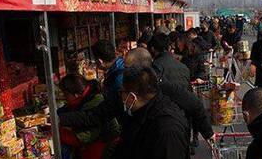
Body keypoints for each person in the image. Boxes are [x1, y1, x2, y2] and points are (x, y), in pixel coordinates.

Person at [58, 48, 214, 148]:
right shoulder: (123, 93)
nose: (123, 71)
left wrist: (209, 134)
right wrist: (60, 119)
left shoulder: (163, 87)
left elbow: (195, 104)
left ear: (141, 68)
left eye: (127, 67)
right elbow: (95, 116)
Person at [58, 74, 119, 159]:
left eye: (66, 95)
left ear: (75, 94)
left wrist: (58, 132)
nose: (65, 99)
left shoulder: (94, 101)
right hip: (95, 152)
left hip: (101, 152)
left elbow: (83, 136)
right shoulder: (87, 98)